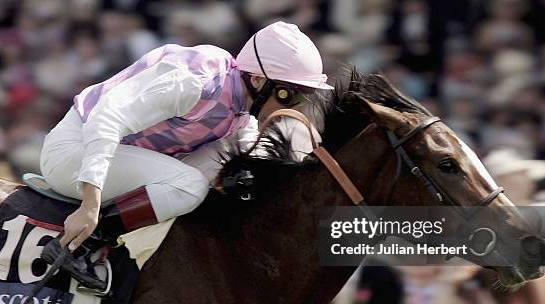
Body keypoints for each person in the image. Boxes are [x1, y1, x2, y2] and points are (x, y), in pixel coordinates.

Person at [39, 21, 333, 290]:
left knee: (234, 162)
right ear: (258, 81)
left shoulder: (242, 111)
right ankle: (83, 243)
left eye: (303, 96)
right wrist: (90, 204)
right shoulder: (196, 80)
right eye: (289, 95)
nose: (295, 105)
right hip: (75, 150)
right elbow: (106, 118)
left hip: (119, 154)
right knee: (189, 184)